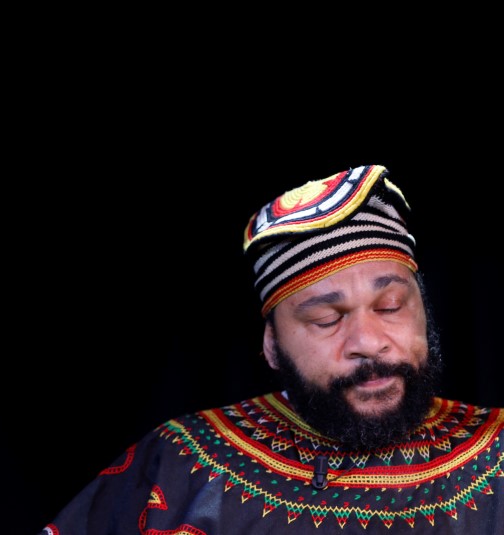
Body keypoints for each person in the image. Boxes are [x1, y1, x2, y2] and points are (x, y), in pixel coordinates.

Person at [39, 164, 504, 534]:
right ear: (273, 345)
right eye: (328, 319)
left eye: (391, 306)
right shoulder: (182, 464)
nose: (368, 342)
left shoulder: (497, 451)